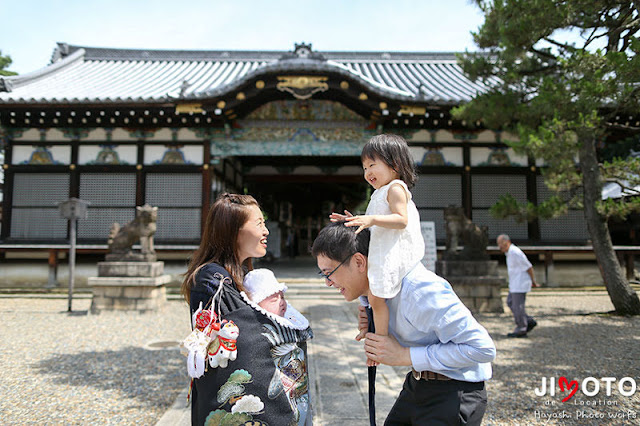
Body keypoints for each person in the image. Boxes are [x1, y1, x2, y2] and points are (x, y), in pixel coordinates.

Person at [312, 222, 496, 425]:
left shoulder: (419, 291)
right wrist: (369, 315)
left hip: (456, 391)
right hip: (417, 384)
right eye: (323, 274)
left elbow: (483, 349)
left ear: (359, 261)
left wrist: (403, 355)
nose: (327, 282)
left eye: (329, 272)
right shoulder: (375, 294)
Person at [182, 193, 313, 426]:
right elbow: (248, 338)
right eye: (259, 223)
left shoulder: (232, 275)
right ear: (234, 230)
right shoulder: (211, 279)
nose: (266, 231)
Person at [330, 134, 425, 366]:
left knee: (375, 296)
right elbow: (378, 222)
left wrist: (371, 218)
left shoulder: (395, 188)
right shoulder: (380, 193)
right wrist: (356, 220)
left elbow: (401, 220)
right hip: (381, 250)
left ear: (395, 164)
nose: (367, 172)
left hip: (395, 252)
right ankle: (372, 334)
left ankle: (379, 343)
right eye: (364, 167)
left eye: (373, 165)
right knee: (369, 296)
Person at [497, 234, 539, 338]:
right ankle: (528, 321)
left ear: (506, 242)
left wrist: (533, 281)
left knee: (517, 306)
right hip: (515, 283)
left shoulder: (515, 252)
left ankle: (521, 329)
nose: (499, 247)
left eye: (500, 244)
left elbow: (528, 266)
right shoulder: (509, 253)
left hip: (520, 283)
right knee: (510, 302)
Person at [241, 268, 310, 330]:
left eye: (282, 297)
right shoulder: (260, 330)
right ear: (257, 306)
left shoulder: (289, 319)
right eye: (274, 300)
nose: (281, 302)